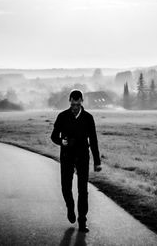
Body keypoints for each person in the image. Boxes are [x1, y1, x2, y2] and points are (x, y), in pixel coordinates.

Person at [51, 89, 102, 232]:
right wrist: (62, 142)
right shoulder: (62, 116)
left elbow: (93, 140)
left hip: (83, 156)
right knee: (65, 187)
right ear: (70, 102)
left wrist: (97, 162)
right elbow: (54, 136)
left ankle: (82, 220)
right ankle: (70, 207)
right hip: (67, 156)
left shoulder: (88, 118)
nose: (74, 108)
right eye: (73, 104)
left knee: (83, 190)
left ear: (81, 102)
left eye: (77, 105)